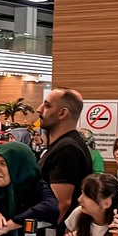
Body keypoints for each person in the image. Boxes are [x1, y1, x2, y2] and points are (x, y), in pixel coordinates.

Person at [36, 87, 92, 220]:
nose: (39, 109)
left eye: (47, 105)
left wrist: (47, 235)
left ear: (62, 113)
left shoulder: (67, 149)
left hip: (55, 235)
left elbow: (61, 203)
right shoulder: (62, 145)